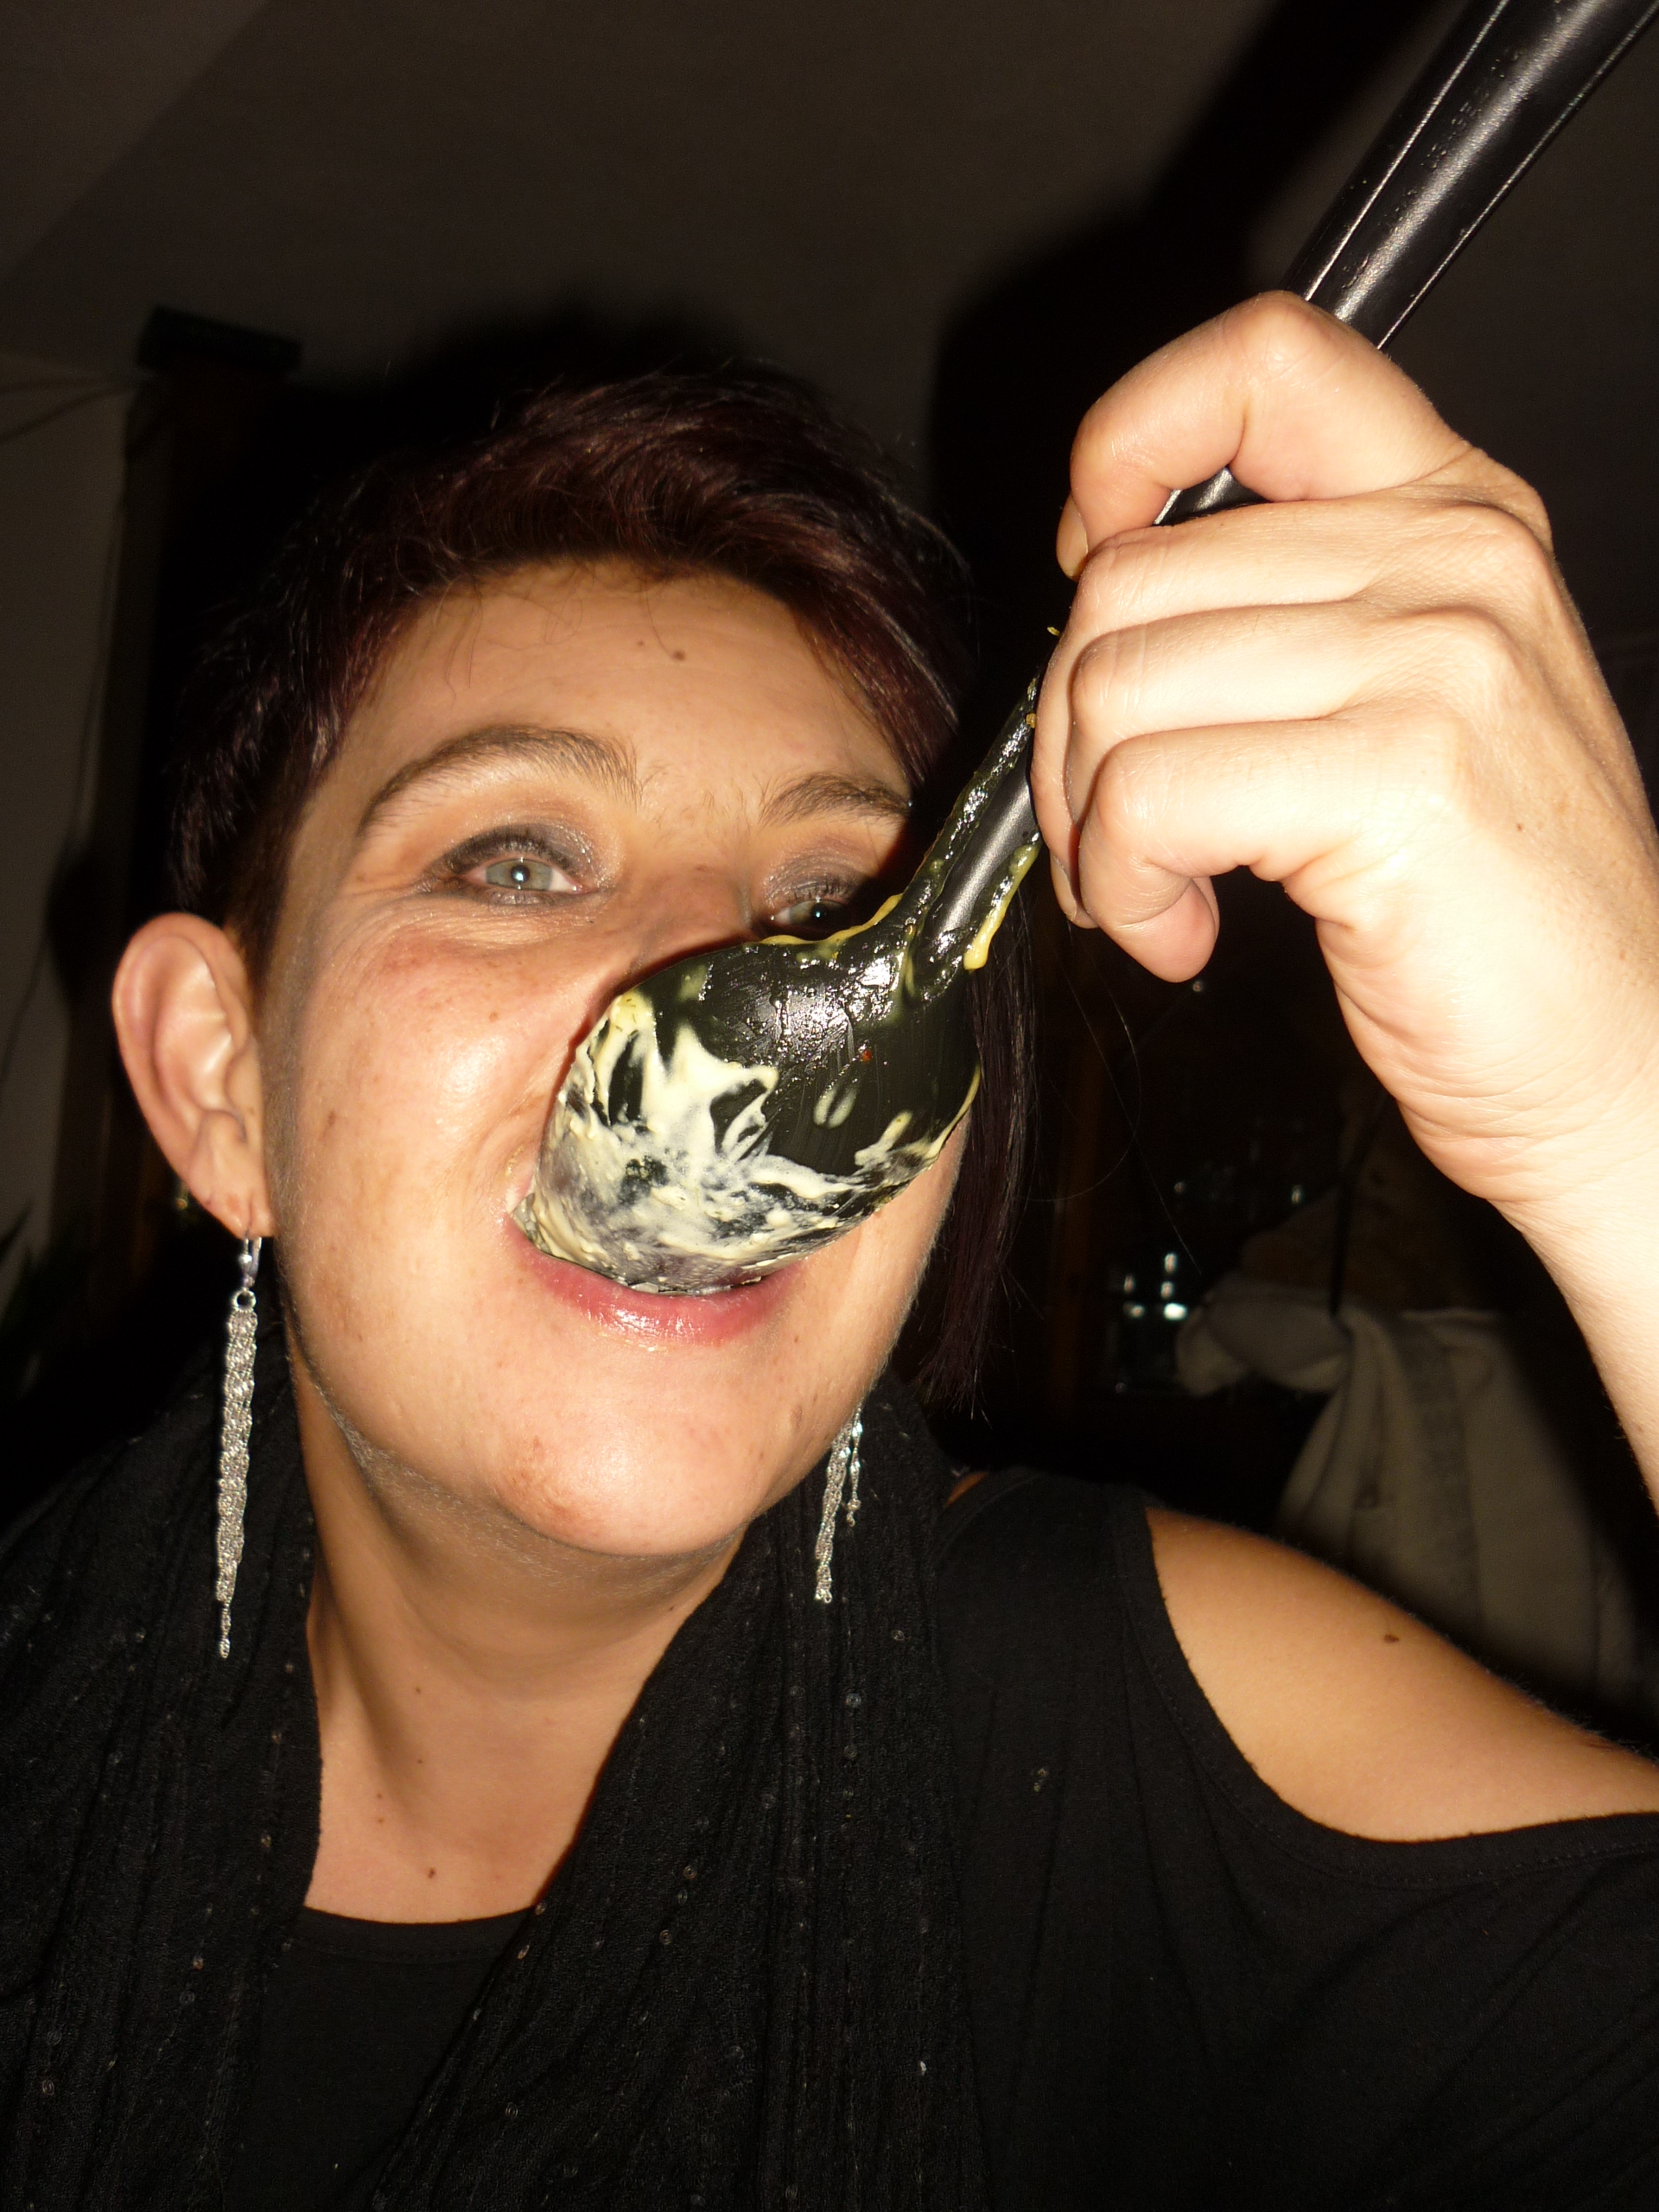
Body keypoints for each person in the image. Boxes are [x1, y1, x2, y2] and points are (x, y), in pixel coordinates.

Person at [6, 296, 1659, 2211]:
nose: (715, 979)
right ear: (220, 1085)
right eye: (516, 860)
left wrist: (1616, 1101)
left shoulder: (1123, 1736)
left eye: (831, 898)